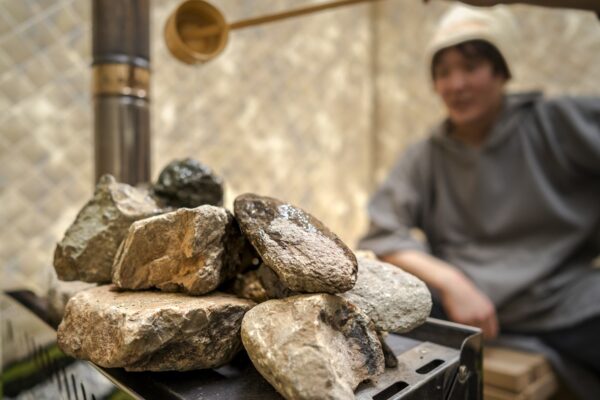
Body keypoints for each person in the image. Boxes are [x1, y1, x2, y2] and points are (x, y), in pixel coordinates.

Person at [358, 4, 600, 383]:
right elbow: (383, 234)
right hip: (462, 310)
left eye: (470, 67)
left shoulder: (553, 122)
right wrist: (453, 282)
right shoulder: (426, 154)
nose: (456, 84)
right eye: (443, 72)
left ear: (501, 72)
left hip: (563, 300)